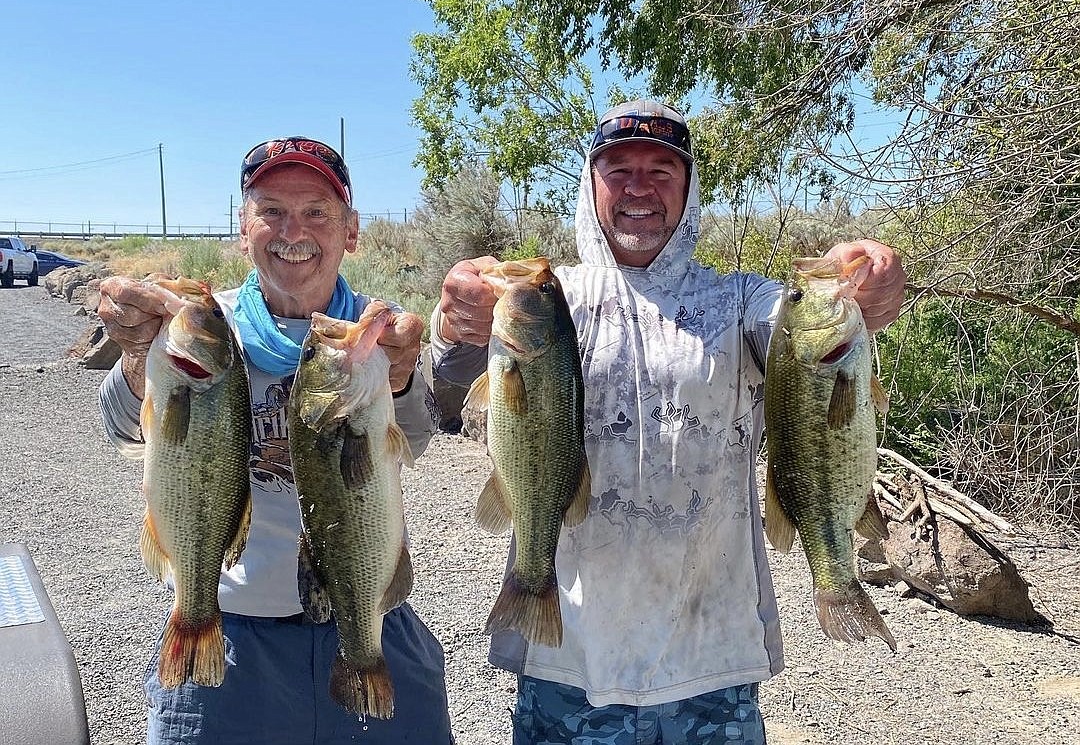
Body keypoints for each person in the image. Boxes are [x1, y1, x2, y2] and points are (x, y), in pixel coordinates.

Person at [429, 100, 907, 744]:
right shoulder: (546, 298)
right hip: (571, 657)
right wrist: (455, 323)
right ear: (590, 184)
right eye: (618, 167)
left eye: (662, 169)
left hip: (713, 660)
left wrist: (867, 286)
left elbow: (804, 342)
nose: (639, 187)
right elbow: (449, 387)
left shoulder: (740, 301)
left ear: (689, 187)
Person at [97, 136, 453, 745]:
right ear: (244, 229)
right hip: (235, 631)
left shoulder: (377, 333)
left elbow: (412, 440)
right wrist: (136, 355)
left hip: (367, 612)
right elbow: (124, 425)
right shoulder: (201, 325)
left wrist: (398, 378)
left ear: (351, 231)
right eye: (272, 211)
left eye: (317, 211)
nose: (295, 230)